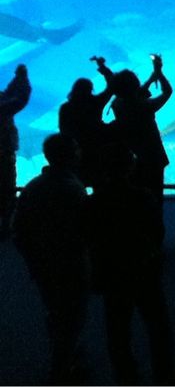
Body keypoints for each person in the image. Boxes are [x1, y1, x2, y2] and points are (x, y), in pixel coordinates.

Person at [86, 142, 175, 384]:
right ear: (131, 168)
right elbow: (158, 232)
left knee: (117, 329)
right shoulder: (144, 197)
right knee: (158, 325)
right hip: (144, 269)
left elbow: (88, 237)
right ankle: (165, 374)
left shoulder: (94, 201)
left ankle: (126, 377)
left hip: (112, 272)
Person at [12, 133, 90, 383]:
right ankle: (61, 369)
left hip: (42, 265)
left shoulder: (32, 187)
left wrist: (32, 259)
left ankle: (62, 352)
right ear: (70, 155)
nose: (80, 152)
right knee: (72, 314)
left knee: (55, 310)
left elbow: (18, 230)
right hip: (71, 265)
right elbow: (87, 230)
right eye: (76, 147)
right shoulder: (73, 189)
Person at [101, 54, 173, 207]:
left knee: (135, 197)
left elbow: (132, 93)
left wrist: (152, 77)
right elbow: (167, 92)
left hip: (132, 155)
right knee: (154, 196)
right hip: (152, 156)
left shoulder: (117, 103)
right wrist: (159, 74)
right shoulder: (144, 106)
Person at [58, 75, 115, 188]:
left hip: (77, 150)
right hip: (97, 147)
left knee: (79, 182)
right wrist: (103, 68)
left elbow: (64, 130)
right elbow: (111, 88)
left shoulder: (66, 108)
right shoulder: (95, 102)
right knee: (99, 180)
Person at [0, 63, 32, 238]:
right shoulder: (2, 107)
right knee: (6, 188)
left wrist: (18, 78)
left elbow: (9, 94)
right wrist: (23, 77)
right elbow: (19, 99)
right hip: (3, 154)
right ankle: (6, 225)